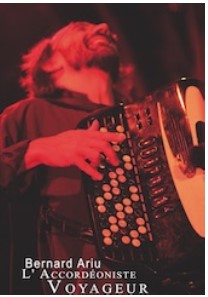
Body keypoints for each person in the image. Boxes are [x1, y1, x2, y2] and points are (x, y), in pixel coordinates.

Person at [0, 21, 142, 295]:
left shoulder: (144, 122)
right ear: (51, 63)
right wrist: (36, 150)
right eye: (81, 30)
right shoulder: (28, 114)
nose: (103, 26)